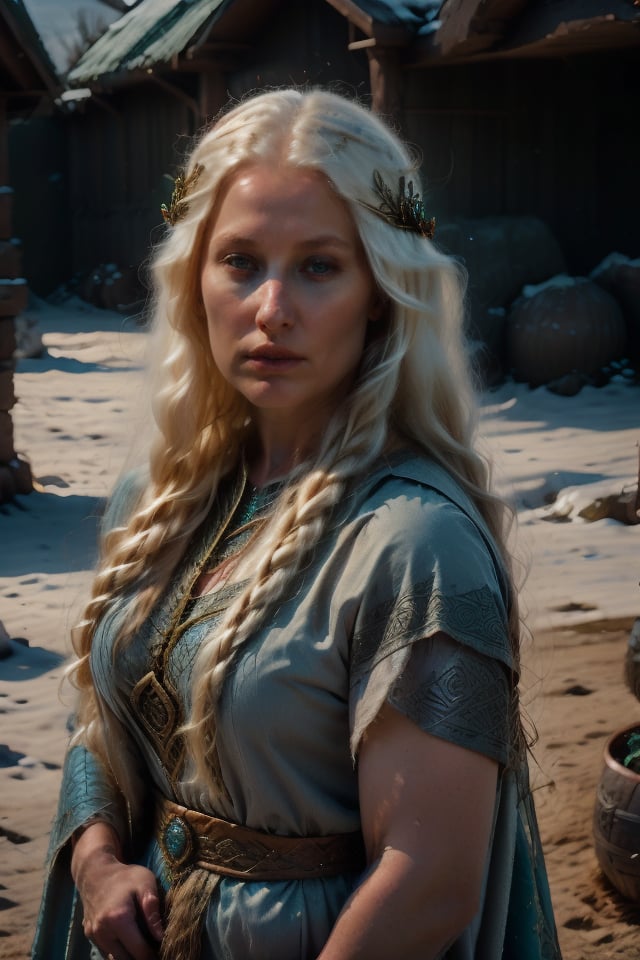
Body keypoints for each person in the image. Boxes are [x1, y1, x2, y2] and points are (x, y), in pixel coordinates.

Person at [33, 87, 561, 960]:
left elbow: (427, 881)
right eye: (240, 261)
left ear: (382, 294)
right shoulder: (160, 500)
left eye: (319, 265)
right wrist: (95, 863)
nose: (272, 306)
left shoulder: (413, 543)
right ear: (193, 278)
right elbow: (107, 725)